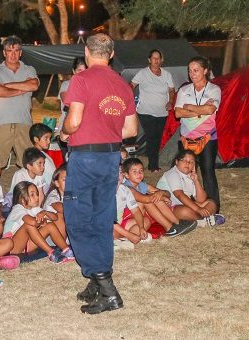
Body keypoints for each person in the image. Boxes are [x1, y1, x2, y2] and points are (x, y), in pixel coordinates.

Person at [59, 33, 137, 314]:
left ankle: (108, 290)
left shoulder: (81, 79)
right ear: (111, 53)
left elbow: (74, 120)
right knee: (102, 218)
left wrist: (65, 131)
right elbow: (130, 130)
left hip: (86, 158)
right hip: (111, 157)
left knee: (78, 220)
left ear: (87, 51)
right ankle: (95, 279)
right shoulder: (122, 84)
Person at [174, 57, 221, 211]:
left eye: (196, 70)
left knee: (208, 172)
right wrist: (199, 109)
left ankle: (214, 207)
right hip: (186, 138)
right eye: (189, 70)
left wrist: (189, 106)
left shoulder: (214, 89)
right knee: (186, 171)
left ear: (205, 71)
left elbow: (210, 110)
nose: (191, 74)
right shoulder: (184, 90)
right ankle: (189, 205)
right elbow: (178, 113)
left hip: (208, 137)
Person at [0, 36, 40, 171]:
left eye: (16, 50)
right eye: (9, 51)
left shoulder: (29, 69)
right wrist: (22, 89)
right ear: (4, 53)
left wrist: (7, 86)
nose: (13, 54)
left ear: (21, 53)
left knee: (28, 164)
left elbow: (34, 85)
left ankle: (27, 191)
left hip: (24, 123)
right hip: (2, 123)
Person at [122, 157, 197, 237]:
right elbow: (146, 199)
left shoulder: (142, 185)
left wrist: (161, 192)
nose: (139, 174)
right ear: (126, 175)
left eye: (141, 170)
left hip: (141, 215)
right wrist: (160, 196)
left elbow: (168, 194)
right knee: (150, 201)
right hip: (128, 217)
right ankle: (169, 228)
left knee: (157, 199)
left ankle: (177, 223)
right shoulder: (127, 188)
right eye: (135, 171)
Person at [2, 181, 74, 263]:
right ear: (22, 199)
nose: (37, 197)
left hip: (28, 245)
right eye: (32, 195)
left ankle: (66, 250)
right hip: (12, 246)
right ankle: (51, 252)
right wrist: (42, 221)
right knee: (28, 225)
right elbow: (32, 222)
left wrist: (45, 213)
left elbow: (55, 217)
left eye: (37, 194)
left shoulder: (35, 209)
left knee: (49, 225)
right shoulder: (17, 208)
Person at [130, 49, 176, 172]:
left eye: (158, 58)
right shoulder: (143, 73)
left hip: (162, 112)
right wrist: (128, 97)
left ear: (161, 60)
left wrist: (170, 102)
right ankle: (153, 165)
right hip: (145, 111)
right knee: (151, 137)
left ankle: (153, 163)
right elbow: (132, 85)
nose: (156, 60)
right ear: (149, 60)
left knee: (157, 137)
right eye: (153, 58)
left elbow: (171, 90)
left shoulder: (166, 74)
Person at [156, 150, 225, 226]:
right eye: (184, 160)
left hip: (185, 205)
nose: (188, 163)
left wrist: (196, 181)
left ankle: (199, 219)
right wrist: (198, 209)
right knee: (184, 211)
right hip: (168, 207)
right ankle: (203, 219)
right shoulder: (172, 173)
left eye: (191, 162)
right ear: (176, 162)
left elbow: (201, 199)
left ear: (194, 166)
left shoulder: (189, 176)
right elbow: (179, 195)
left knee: (211, 203)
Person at [29, 123, 55, 188]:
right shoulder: (35, 157)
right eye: (46, 138)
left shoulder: (42, 154)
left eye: (50, 138)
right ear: (36, 139)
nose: (49, 141)